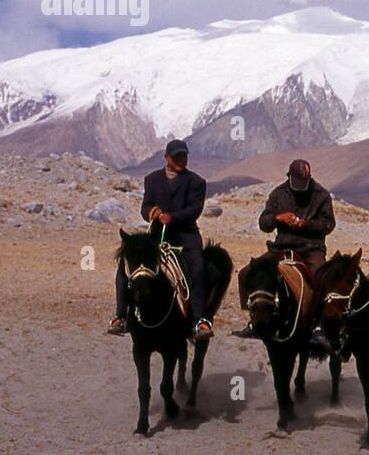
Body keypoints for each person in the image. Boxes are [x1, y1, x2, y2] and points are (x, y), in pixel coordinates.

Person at [108, 139, 212, 339]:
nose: (181, 160)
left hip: (185, 238)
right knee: (125, 265)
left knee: (198, 268)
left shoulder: (196, 182)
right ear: (166, 157)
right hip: (156, 238)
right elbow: (145, 207)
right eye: (177, 156)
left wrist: (173, 217)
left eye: (184, 156)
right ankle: (120, 316)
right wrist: (152, 212)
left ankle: (199, 320)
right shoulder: (152, 179)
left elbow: (194, 209)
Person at [232, 159, 336, 350]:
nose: (302, 185)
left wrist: (307, 225)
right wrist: (277, 218)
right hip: (280, 248)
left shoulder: (321, 195)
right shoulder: (278, 194)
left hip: (310, 248)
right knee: (246, 273)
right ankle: (254, 319)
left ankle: (319, 324)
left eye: (305, 181)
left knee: (321, 277)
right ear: (290, 177)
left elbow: (328, 224)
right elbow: (263, 223)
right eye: (298, 181)